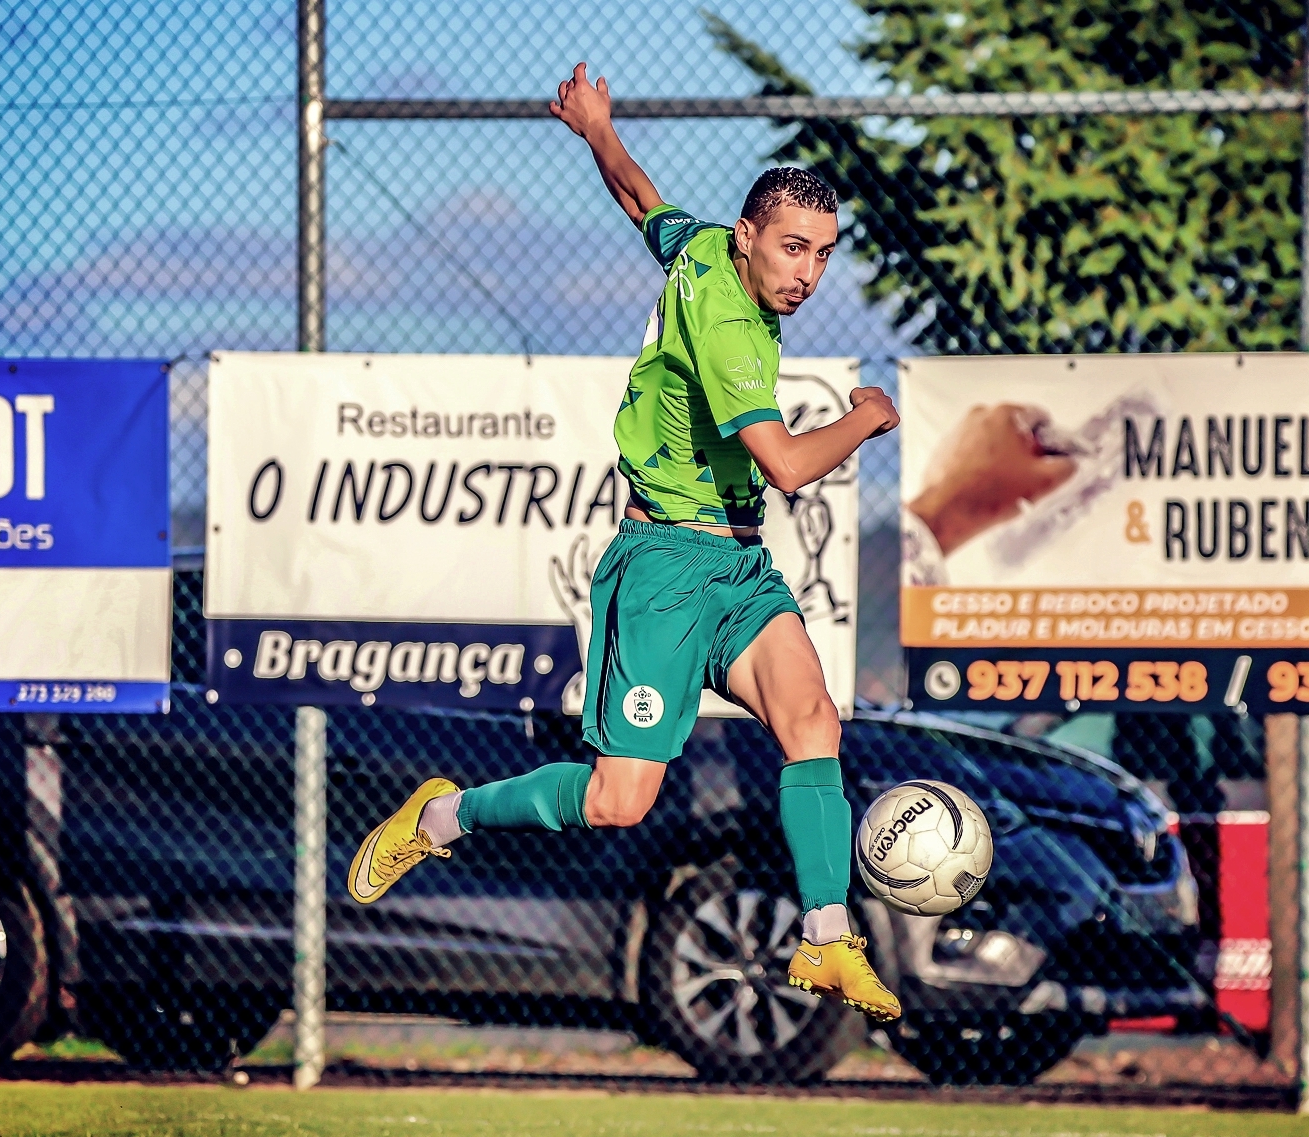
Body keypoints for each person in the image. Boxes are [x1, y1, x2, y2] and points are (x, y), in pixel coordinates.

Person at [346, 62, 903, 1022]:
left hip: (735, 563)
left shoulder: (701, 252)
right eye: (793, 249)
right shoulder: (730, 326)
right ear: (751, 239)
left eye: (822, 253)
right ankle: (441, 814)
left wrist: (596, 128)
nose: (807, 272)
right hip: (663, 573)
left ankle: (825, 941)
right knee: (617, 802)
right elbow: (786, 465)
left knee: (813, 721)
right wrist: (866, 414)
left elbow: (640, 196)